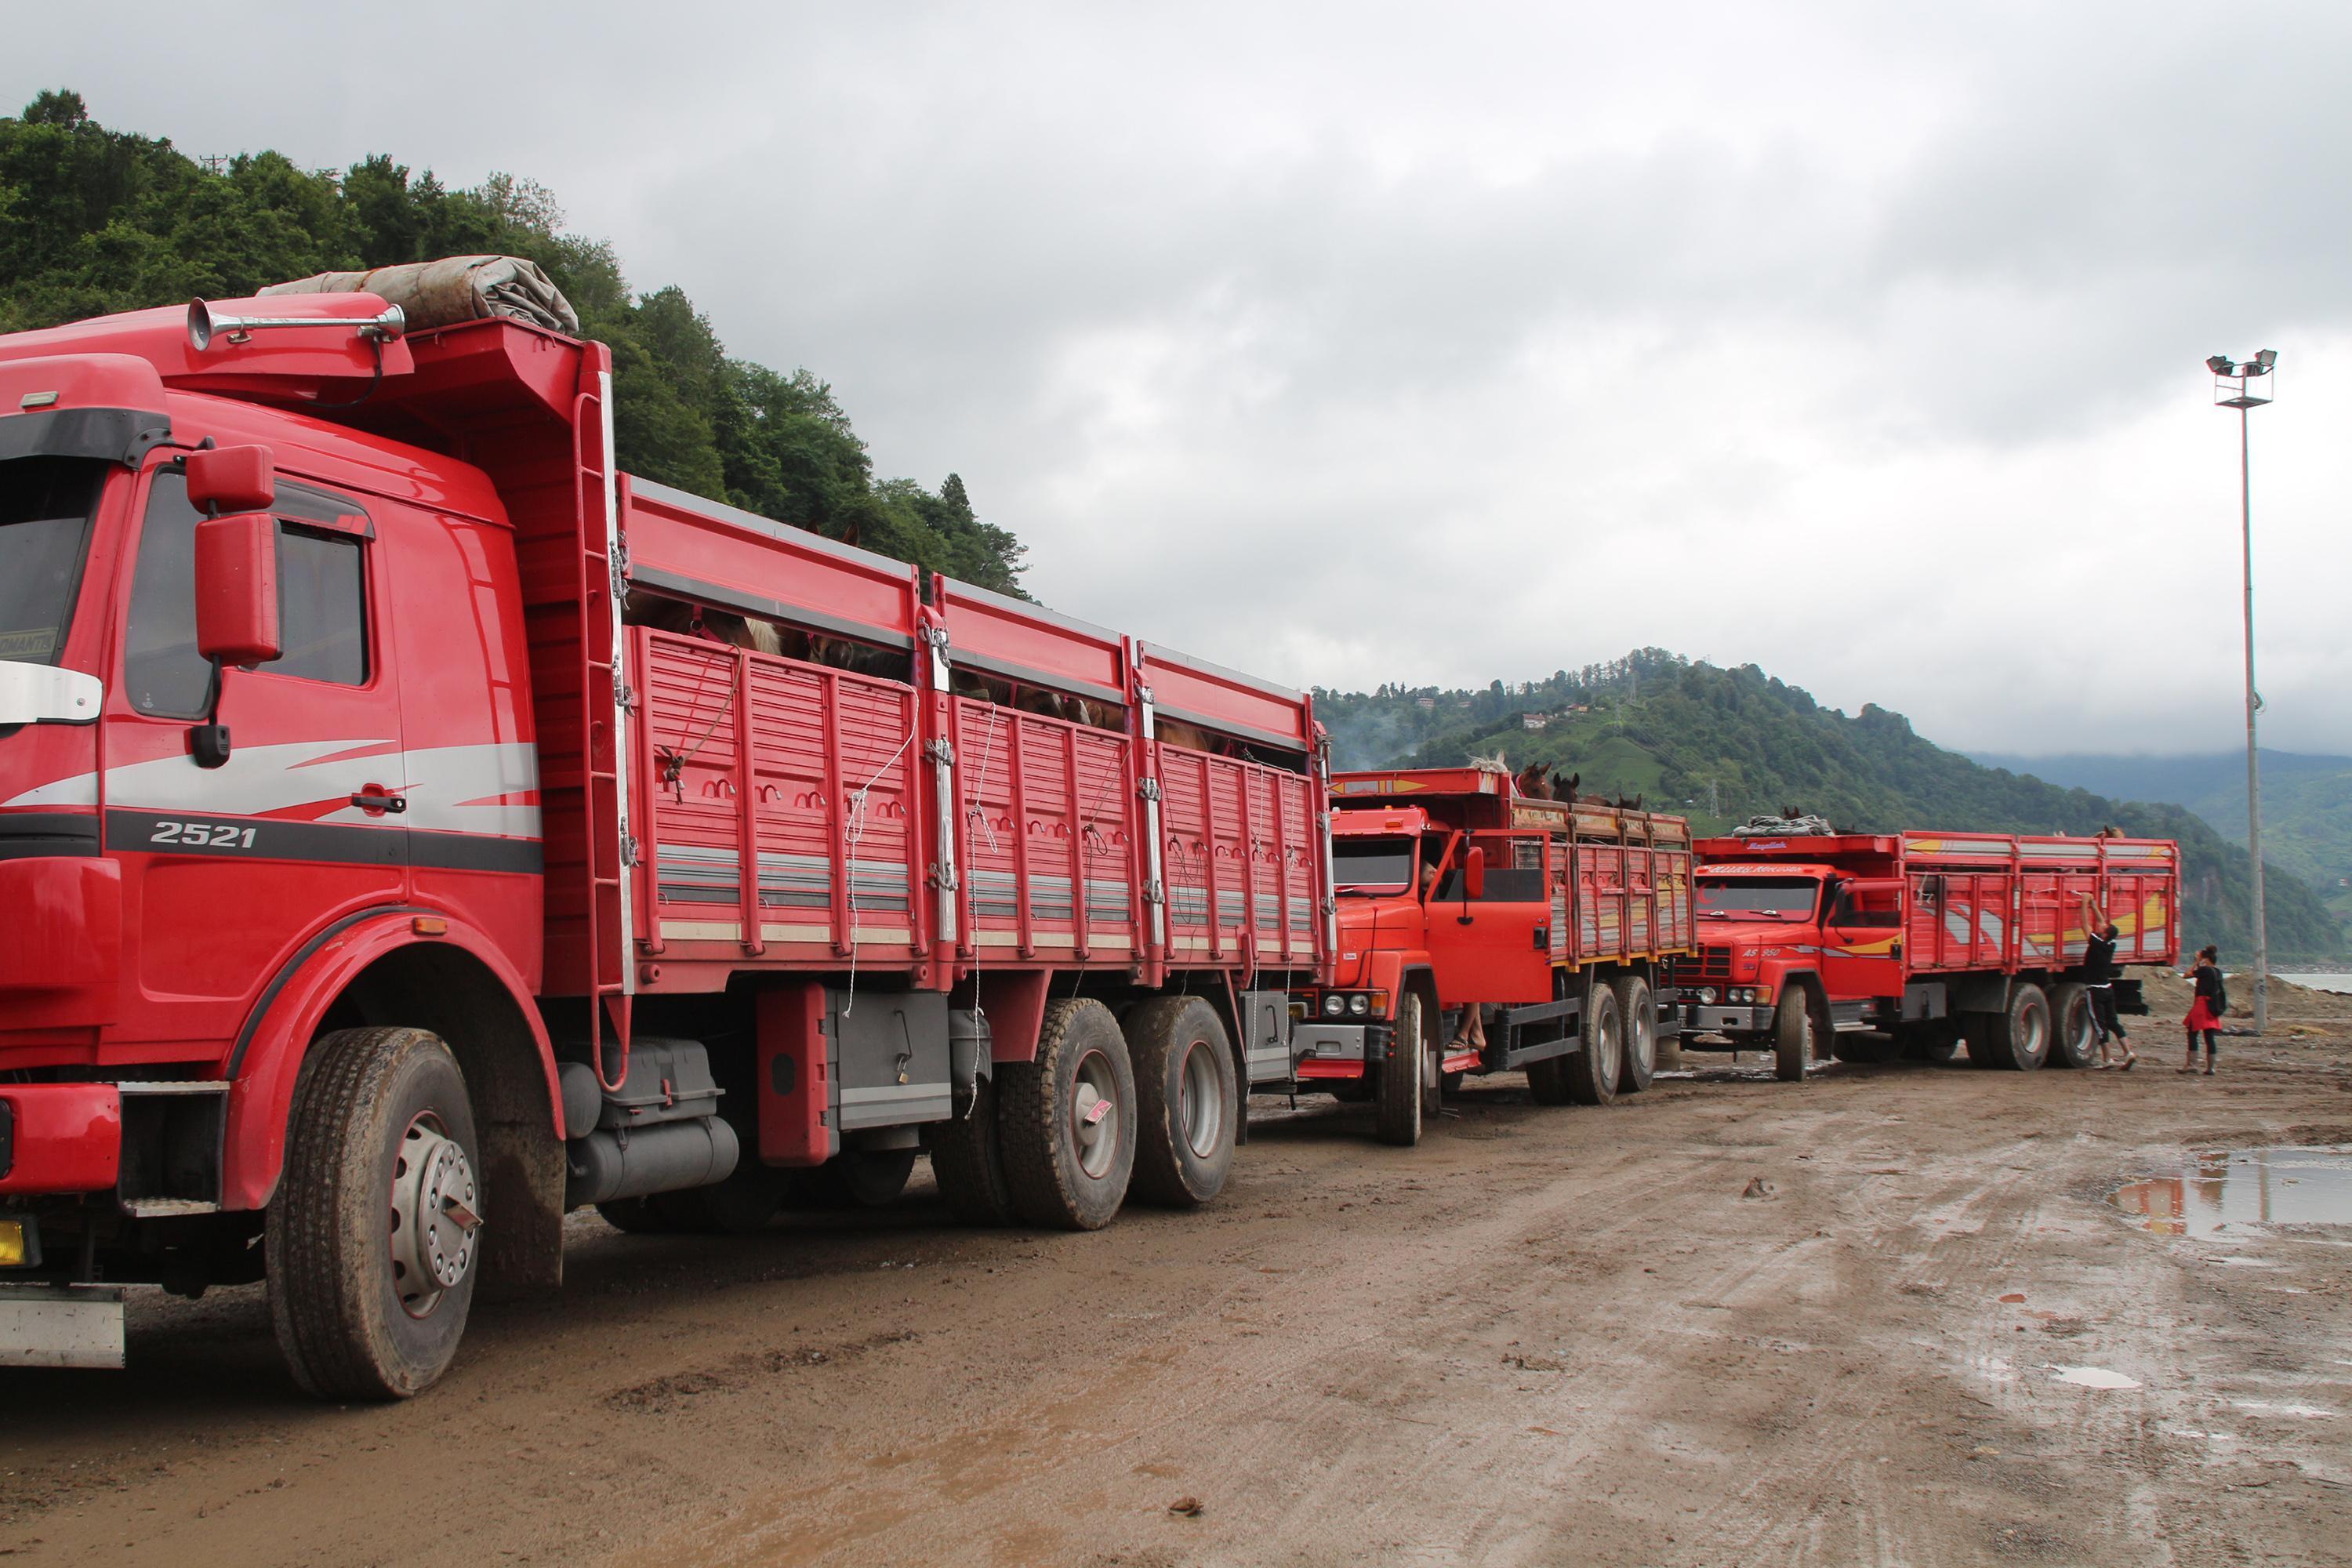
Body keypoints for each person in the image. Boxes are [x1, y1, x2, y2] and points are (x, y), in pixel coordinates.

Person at [2078, 892, 2135, 1069]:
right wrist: (2094, 906)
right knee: (2113, 1022)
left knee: (2099, 1024)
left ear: (2104, 933)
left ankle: (2108, 1058)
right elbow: (2102, 924)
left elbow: (2084, 925)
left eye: (2104, 926)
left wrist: (2084, 903)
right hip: (2108, 988)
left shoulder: (2096, 943)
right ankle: (2128, 1052)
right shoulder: (2110, 945)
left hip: (2095, 990)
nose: (2101, 924)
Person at [2182, 945, 2224, 1075]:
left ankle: (2192, 1064)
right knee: (2209, 1036)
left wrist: (2196, 961)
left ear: (2205, 959)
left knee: (2192, 1032)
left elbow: (2186, 975)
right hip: (2213, 1006)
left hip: (2202, 1004)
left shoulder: (2205, 970)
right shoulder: (2218, 972)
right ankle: (2211, 1068)